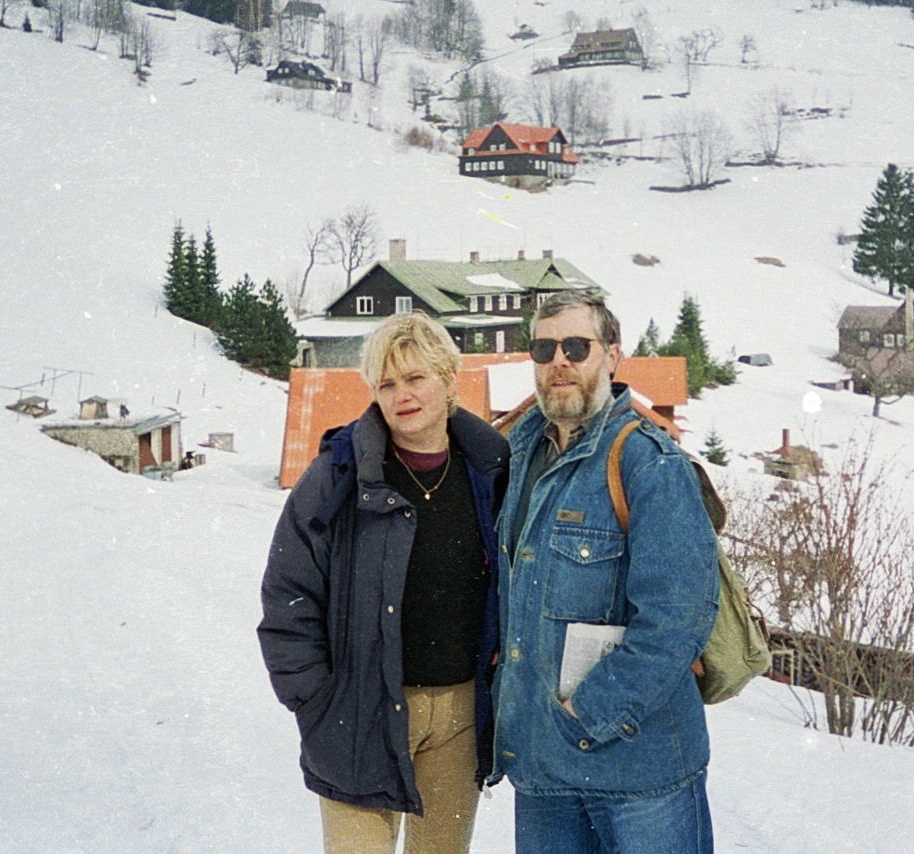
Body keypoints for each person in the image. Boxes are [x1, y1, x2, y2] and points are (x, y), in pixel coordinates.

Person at [259, 314, 509, 854]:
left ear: (448, 379)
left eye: (416, 378)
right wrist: (316, 701)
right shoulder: (339, 475)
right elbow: (287, 594)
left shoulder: (491, 471)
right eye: (387, 384)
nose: (403, 396)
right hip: (359, 715)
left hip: (460, 720)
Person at [493, 290, 720, 853]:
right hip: (545, 774)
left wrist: (587, 712)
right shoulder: (517, 456)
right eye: (544, 349)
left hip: (640, 777)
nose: (559, 362)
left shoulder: (649, 463)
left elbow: (679, 619)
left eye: (576, 346)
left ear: (612, 356)